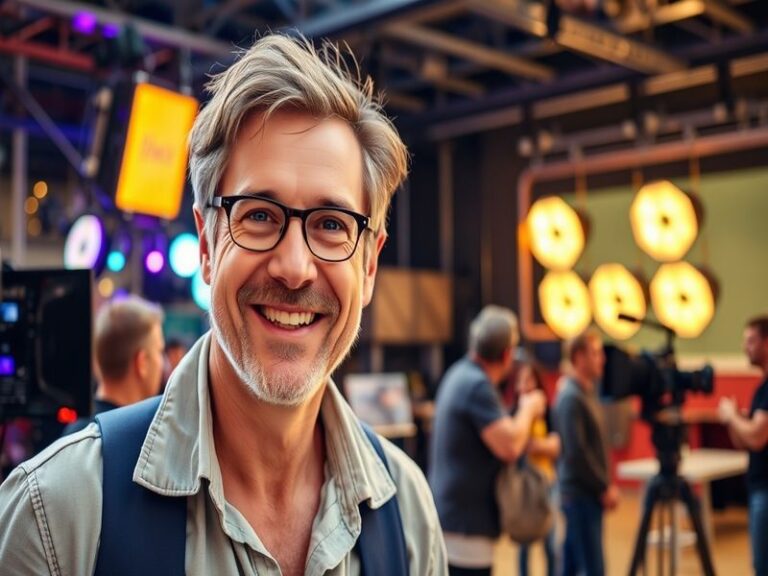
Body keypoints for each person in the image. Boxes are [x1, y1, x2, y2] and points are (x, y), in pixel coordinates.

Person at [0, 33, 446, 575]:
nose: (294, 267)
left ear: (369, 264)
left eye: (331, 225)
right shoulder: (60, 515)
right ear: (208, 245)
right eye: (259, 214)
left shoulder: (408, 512)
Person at [429, 305, 547, 576]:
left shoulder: (460, 374)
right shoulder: (477, 385)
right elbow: (510, 446)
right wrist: (529, 408)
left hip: (455, 521)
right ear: (507, 354)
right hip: (465, 530)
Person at [554, 329, 619, 576]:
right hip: (580, 495)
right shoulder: (571, 397)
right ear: (579, 357)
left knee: (571, 566)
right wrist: (604, 486)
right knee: (593, 568)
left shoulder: (586, 392)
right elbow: (576, 453)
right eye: (595, 353)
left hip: (586, 494)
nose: (601, 359)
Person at [62, 295, 166, 436]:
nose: (163, 363)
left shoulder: (75, 433)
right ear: (142, 363)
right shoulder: (142, 439)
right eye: (159, 351)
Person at [718, 315, 768, 576]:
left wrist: (733, 417)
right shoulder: (761, 389)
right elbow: (746, 441)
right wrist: (735, 420)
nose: (745, 347)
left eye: (751, 341)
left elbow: (758, 437)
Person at [516, 362, 561, 576]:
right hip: (524, 485)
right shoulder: (516, 413)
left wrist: (535, 445)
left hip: (547, 481)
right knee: (524, 544)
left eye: (529, 380)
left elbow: (557, 445)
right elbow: (516, 445)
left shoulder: (549, 412)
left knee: (550, 543)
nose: (525, 385)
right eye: (522, 380)